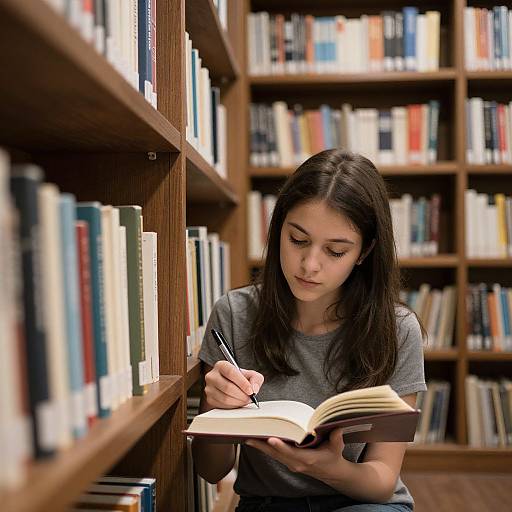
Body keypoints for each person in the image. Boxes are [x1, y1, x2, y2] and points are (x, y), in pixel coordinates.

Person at [192, 149, 427, 512]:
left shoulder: (398, 331)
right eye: (298, 240)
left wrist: (333, 471)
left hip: (361, 503)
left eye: (335, 252)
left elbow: (382, 481)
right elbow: (210, 470)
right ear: (278, 227)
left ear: (364, 252)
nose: (310, 264)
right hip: (266, 504)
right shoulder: (235, 314)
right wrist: (215, 407)